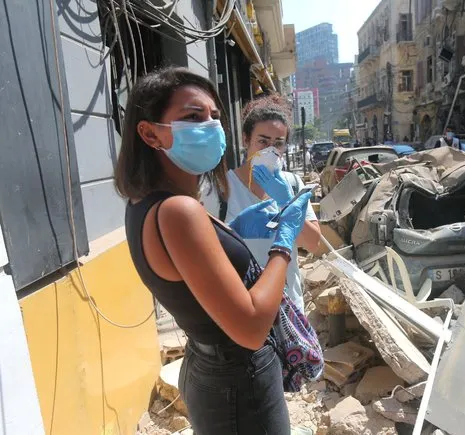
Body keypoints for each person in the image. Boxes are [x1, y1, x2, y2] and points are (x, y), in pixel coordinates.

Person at [115, 67, 308, 434]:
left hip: (213, 369)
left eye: (215, 117)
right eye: (192, 117)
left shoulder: (147, 202)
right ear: (150, 133)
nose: (211, 126)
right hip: (239, 377)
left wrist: (232, 234)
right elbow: (252, 327)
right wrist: (283, 241)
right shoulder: (178, 210)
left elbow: (194, 271)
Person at [225, 94, 321, 311]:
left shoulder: (294, 185)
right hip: (244, 308)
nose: (271, 150)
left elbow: (313, 244)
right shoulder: (223, 189)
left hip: (290, 307)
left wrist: (287, 203)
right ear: (246, 140)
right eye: (263, 141)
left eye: (278, 143)